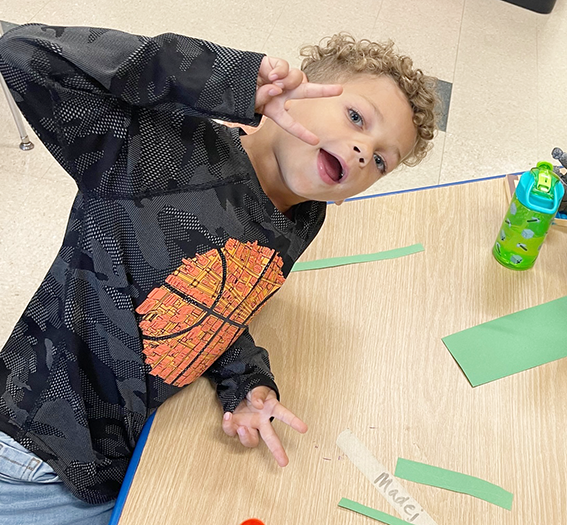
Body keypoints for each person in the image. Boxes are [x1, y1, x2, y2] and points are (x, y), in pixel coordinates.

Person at [0, 22, 437, 524]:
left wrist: (247, 384)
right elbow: (24, 53)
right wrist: (228, 80)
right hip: (32, 455)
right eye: (357, 116)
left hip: (126, 465)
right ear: (291, 91)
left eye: (382, 160)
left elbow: (215, 302)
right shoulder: (163, 151)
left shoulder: (302, 218)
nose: (364, 152)